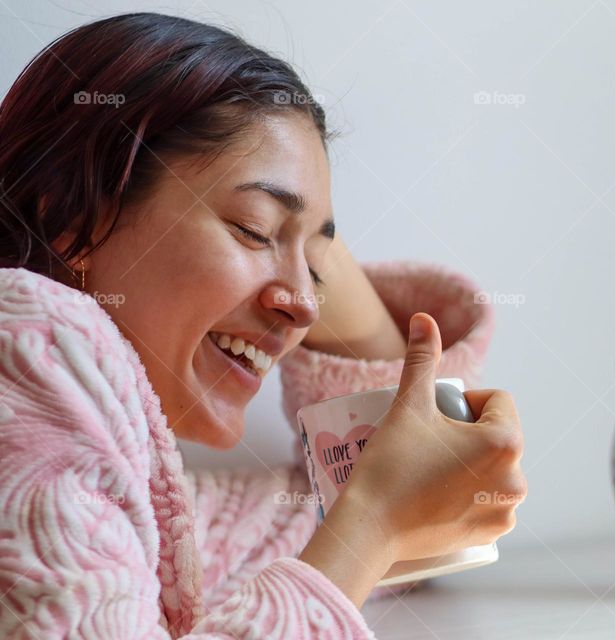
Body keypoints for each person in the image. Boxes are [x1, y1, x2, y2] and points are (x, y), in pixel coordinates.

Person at [0, 12, 526, 639]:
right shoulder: (27, 330)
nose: (308, 306)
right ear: (66, 211)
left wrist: (381, 516)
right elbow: (361, 528)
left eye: (317, 268)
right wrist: (374, 522)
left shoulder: (146, 508)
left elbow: (354, 526)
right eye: (253, 228)